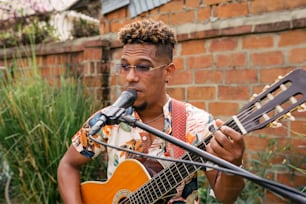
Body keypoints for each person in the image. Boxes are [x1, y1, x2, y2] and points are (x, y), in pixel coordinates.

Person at [57, 19, 245, 204]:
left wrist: (233, 166)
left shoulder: (197, 123)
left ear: (168, 72)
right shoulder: (108, 120)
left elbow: (225, 198)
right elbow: (68, 165)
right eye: (124, 66)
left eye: (143, 67)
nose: (130, 77)